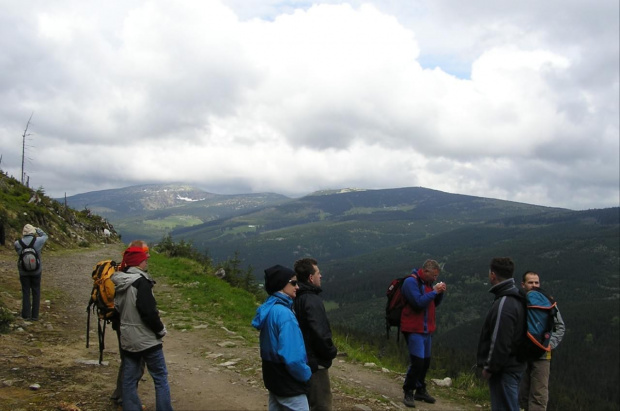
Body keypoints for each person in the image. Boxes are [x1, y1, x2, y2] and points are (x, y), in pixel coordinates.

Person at [112, 244, 173, 411]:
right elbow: (149, 313)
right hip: (147, 340)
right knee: (160, 377)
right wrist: (160, 330)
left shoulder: (120, 282)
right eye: (144, 260)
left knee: (129, 379)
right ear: (138, 263)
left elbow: (116, 311)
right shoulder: (141, 283)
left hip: (128, 340)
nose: (146, 262)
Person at [252, 265, 312, 411]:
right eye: (293, 282)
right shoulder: (285, 314)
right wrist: (306, 373)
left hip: (273, 378)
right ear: (281, 284)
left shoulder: (269, 309)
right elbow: (292, 357)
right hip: (288, 383)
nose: (297, 287)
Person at [477, 257, 526, 411]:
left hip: (505, 369)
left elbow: (499, 340)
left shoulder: (505, 302)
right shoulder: (517, 296)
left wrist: (490, 368)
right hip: (515, 365)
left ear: (492, 275)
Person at [400, 259, 446, 407]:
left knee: (425, 362)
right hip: (414, 329)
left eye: (436, 277)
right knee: (417, 362)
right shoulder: (410, 282)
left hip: (426, 329)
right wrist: (434, 291)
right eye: (433, 275)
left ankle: (420, 389)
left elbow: (433, 304)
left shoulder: (427, 283)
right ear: (425, 271)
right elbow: (418, 303)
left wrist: (439, 294)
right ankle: (408, 391)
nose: (435, 279)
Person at [293, 258, 338, 411]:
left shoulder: (297, 296)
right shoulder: (311, 299)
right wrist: (330, 351)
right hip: (315, 363)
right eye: (318, 273)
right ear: (311, 278)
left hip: (303, 359)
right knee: (321, 405)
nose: (321, 276)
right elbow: (319, 331)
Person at [519, 271, 566, 411]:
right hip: (524, 354)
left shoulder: (547, 302)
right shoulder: (521, 301)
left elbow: (560, 326)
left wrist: (549, 344)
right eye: (530, 282)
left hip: (542, 355)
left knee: (539, 394)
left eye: (536, 282)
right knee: (522, 393)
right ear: (523, 284)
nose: (534, 285)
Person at [110, 240, 148, 406]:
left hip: (120, 323)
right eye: (145, 252)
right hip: (132, 326)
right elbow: (143, 308)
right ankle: (127, 399)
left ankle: (119, 393)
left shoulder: (120, 272)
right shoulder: (136, 278)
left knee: (127, 359)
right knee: (136, 364)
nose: (148, 256)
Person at [14, 224, 48, 320]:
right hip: (36, 270)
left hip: (23, 271)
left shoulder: (17, 243)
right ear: (32, 232)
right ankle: (35, 315)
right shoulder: (38, 241)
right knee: (36, 291)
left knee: (25, 292)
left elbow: (18, 253)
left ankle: (26, 314)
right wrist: (38, 229)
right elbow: (45, 236)